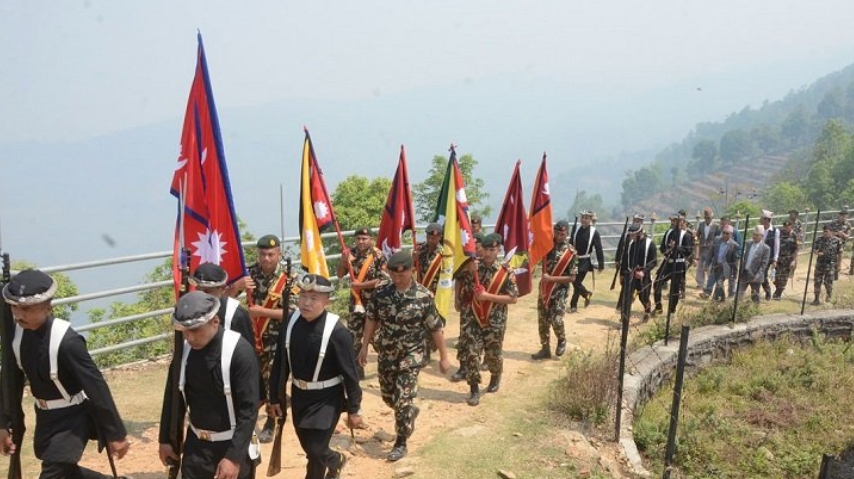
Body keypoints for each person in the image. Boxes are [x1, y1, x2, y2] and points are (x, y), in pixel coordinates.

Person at [0, 269, 131, 479]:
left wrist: (116, 433)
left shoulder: (67, 342)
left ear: (47, 306)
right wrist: (4, 424)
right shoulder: (17, 338)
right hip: (45, 418)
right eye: (14, 308)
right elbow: (10, 383)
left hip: (72, 419)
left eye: (26, 309)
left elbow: (95, 386)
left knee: (53, 474)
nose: (18, 315)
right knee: (67, 474)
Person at [269, 274, 362, 479]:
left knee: (317, 449)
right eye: (303, 295)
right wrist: (275, 397)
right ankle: (334, 462)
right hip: (300, 396)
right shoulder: (291, 322)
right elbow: (280, 363)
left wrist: (354, 408)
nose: (306, 302)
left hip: (327, 398)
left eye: (314, 298)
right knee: (310, 448)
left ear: (326, 301)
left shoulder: (337, 332)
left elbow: (350, 374)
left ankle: (333, 462)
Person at [360, 251, 450, 461]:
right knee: (389, 396)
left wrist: (444, 356)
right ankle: (409, 412)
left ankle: (401, 442)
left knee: (402, 401)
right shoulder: (381, 294)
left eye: (403, 273)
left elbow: (436, 328)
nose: (398, 278)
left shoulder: (423, 296)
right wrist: (364, 346)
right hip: (387, 352)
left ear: (412, 271)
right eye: (394, 274)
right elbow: (372, 320)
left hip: (412, 354)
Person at [158, 291, 260, 479]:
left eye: (195, 330)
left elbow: (249, 410)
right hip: (196, 448)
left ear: (215, 321)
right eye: (185, 331)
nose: (189, 337)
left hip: (231, 446)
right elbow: (174, 396)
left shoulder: (239, 352)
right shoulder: (184, 353)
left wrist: (233, 458)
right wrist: (165, 439)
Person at [238, 234, 293, 443]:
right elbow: (226, 295)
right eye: (262, 254)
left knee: (273, 383)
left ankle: (270, 423)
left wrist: (261, 312)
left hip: (277, 339)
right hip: (252, 338)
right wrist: (237, 286)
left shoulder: (289, 278)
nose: (267, 259)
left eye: (271, 254)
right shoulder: (249, 274)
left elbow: (293, 312)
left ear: (279, 254)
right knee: (251, 382)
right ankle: (249, 420)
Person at [456, 233, 518, 406]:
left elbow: (513, 298)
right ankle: (474, 389)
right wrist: (469, 271)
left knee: (493, 354)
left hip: (494, 320)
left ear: (498, 250)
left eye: (493, 249)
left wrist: (488, 296)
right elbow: (465, 289)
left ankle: (495, 375)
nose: (489, 253)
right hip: (473, 317)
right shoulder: (474, 268)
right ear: (481, 249)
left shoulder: (506, 272)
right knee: (471, 353)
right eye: (486, 249)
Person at [337, 227, 388, 380]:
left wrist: (361, 286)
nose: (361, 241)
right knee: (353, 338)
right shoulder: (350, 253)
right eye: (358, 238)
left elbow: (383, 280)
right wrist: (343, 262)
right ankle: (357, 372)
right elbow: (340, 275)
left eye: (364, 239)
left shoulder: (378, 255)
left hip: (374, 303)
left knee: (377, 338)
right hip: (356, 304)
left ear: (371, 239)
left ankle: (387, 368)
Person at [532, 220, 577, 360]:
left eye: (562, 233)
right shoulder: (547, 246)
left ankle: (561, 339)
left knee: (556, 319)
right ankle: (545, 349)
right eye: (557, 233)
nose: (559, 236)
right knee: (543, 320)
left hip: (560, 291)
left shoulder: (571, 253)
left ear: (567, 233)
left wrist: (551, 279)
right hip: (545, 289)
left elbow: (572, 278)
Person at [190, 262, 254, 346]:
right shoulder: (191, 312)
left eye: (207, 291)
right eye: (198, 289)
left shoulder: (236, 316)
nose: (202, 296)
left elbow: (247, 353)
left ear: (222, 289)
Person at [653, 213, 694, 315]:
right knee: (657, 283)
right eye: (672, 220)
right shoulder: (668, 233)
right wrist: (667, 250)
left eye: (675, 221)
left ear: (682, 222)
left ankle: (672, 310)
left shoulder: (686, 235)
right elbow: (662, 247)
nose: (673, 223)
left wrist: (677, 247)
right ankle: (658, 307)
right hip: (667, 262)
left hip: (679, 264)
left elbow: (688, 251)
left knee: (674, 289)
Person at [618, 224, 657, 321]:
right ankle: (624, 318)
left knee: (643, 297)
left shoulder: (650, 244)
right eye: (630, 235)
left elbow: (654, 262)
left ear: (639, 233)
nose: (631, 237)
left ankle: (647, 312)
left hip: (644, 276)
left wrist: (643, 272)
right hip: (631, 275)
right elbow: (626, 260)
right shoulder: (632, 244)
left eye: (633, 235)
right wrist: (622, 273)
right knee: (627, 297)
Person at [569, 210, 604, 313]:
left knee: (577, 281)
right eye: (583, 217)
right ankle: (586, 294)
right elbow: (571, 242)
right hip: (574, 259)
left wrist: (601, 264)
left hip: (585, 260)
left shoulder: (594, 233)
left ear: (590, 219)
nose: (584, 220)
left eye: (586, 218)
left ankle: (573, 305)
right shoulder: (576, 229)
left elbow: (599, 249)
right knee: (573, 281)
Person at [702, 225, 740, 301]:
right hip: (715, 265)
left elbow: (735, 261)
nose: (725, 235)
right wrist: (707, 265)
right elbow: (711, 253)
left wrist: (734, 273)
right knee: (711, 279)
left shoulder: (734, 245)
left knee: (719, 283)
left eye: (727, 233)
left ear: (731, 234)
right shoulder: (717, 240)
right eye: (724, 233)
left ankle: (718, 298)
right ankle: (710, 294)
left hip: (725, 268)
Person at [738, 226, 771, 304]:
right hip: (745, 273)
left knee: (754, 295)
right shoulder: (748, 244)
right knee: (739, 293)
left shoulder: (766, 248)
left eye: (757, 235)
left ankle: (755, 310)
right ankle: (737, 309)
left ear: (762, 236)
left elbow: (763, 265)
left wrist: (757, 276)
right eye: (753, 234)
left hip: (755, 275)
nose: (754, 237)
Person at [812, 224, 843, 305]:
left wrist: (839, 265)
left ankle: (828, 297)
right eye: (824, 231)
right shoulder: (819, 239)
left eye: (826, 231)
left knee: (828, 282)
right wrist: (818, 253)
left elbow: (840, 253)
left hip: (831, 265)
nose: (824, 233)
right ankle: (816, 299)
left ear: (831, 232)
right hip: (820, 264)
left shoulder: (837, 240)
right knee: (817, 282)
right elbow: (814, 249)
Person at [693, 207, 720, 290]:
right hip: (702, 249)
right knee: (700, 267)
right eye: (705, 218)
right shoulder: (701, 225)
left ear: (712, 218)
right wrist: (696, 240)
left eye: (708, 218)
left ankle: (709, 285)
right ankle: (700, 284)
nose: (707, 219)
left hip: (711, 250)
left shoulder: (716, 226)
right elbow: (697, 235)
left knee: (709, 268)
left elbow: (718, 238)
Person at [772, 220, 799, 300]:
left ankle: (778, 293)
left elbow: (796, 249)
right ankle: (777, 289)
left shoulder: (794, 235)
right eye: (785, 226)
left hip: (788, 259)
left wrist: (794, 260)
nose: (786, 228)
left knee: (784, 277)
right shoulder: (779, 233)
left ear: (791, 226)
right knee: (777, 277)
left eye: (788, 226)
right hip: (779, 258)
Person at [759, 210, 781, 301]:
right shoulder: (759, 228)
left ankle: (768, 292)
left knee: (763, 275)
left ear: (767, 220)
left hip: (768, 257)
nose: (760, 220)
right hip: (758, 255)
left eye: (762, 219)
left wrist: (775, 259)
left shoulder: (775, 231)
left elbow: (776, 246)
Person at [416, 223, 443, 294]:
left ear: (440, 237)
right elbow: (412, 269)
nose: (430, 240)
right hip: (420, 289)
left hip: (435, 292)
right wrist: (413, 258)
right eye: (428, 237)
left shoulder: (443, 254)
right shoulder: (420, 249)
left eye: (433, 238)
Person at [828, 207, 850, 279]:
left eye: (845, 216)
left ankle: (837, 271)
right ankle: (830, 272)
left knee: (839, 258)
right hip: (832, 243)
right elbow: (828, 233)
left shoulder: (848, 225)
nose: (844, 217)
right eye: (842, 216)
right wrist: (837, 233)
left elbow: (848, 236)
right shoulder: (833, 223)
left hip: (841, 244)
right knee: (832, 259)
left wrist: (843, 234)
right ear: (839, 216)